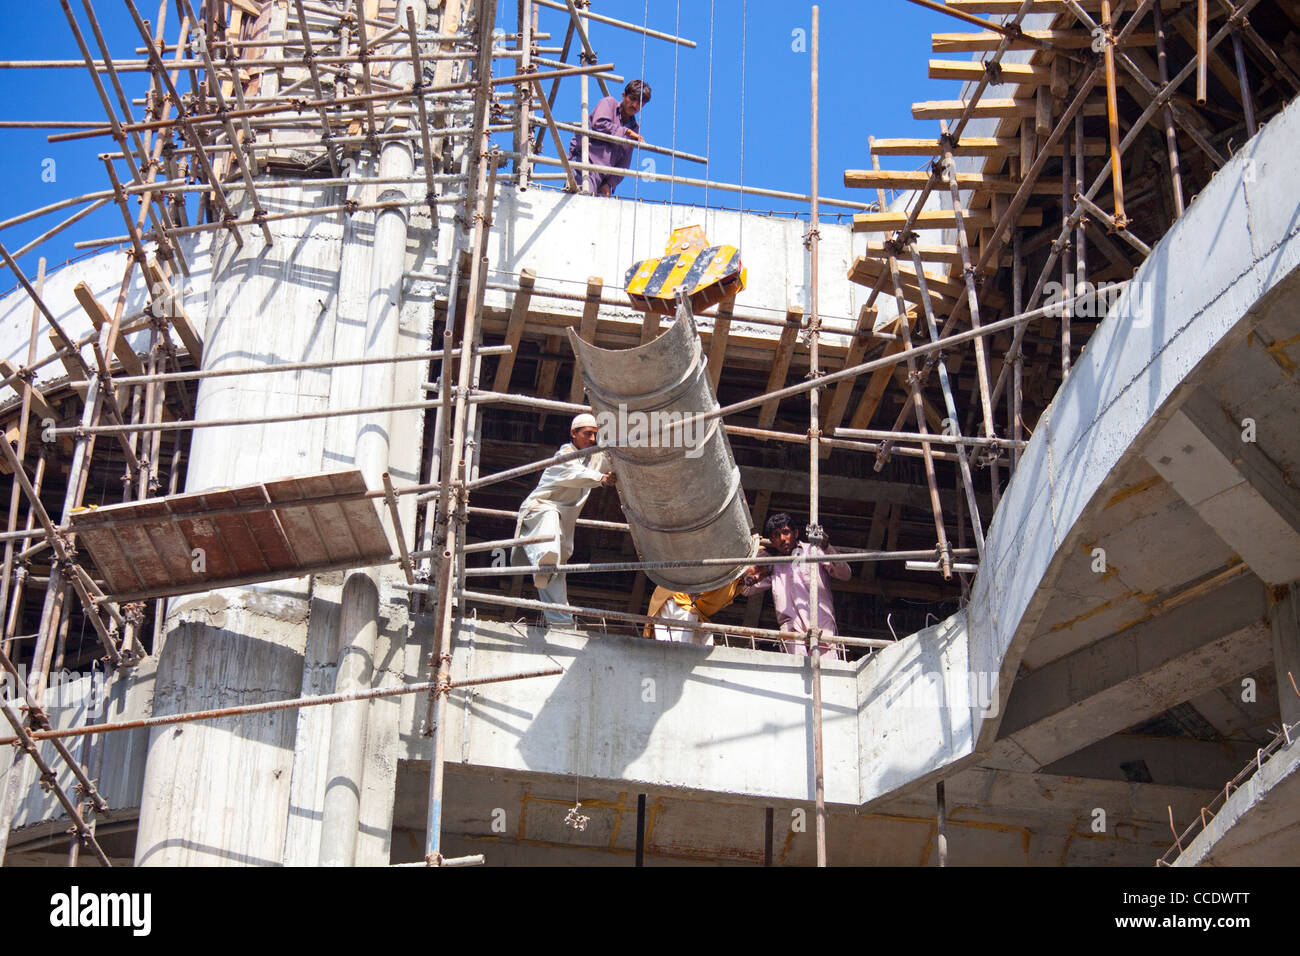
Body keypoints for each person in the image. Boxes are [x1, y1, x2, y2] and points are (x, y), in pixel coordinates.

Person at [512, 413, 616, 625]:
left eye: (595, 434)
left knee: (555, 572)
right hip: (540, 510)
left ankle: (561, 621)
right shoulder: (564, 455)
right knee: (549, 529)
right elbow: (575, 473)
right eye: (587, 434)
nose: (592, 439)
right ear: (573, 434)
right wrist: (602, 479)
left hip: (564, 523)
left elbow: (612, 460)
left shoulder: (595, 457)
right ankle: (544, 558)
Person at [744, 513, 852, 659]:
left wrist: (826, 547)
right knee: (796, 674)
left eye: (786, 532)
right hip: (791, 629)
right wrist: (750, 559)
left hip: (821, 624)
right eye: (776, 535)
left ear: (795, 533)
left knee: (827, 673)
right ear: (772, 541)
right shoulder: (774, 566)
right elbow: (745, 590)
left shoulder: (813, 551)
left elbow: (845, 574)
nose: (782, 539)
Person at [567, 79, 652, 197]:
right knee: (582, 201)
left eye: (639, 103)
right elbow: (599, 123)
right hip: (585, 163)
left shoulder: (633, 128)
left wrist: (610, 183)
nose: (634, 105)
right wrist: (625, 132)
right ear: (624, 96)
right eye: (632, 99)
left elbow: (624, 162)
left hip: (602, 177)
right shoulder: (609, 103)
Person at [643, 566, 761, 647]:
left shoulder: (739, 585)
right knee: (677, 646)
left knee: (704, 640)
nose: (757, 577)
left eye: (763, 576)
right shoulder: (731, 568)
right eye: (757, 568)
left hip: (693, 611)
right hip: (677, 599)